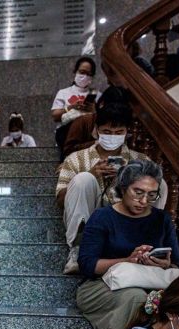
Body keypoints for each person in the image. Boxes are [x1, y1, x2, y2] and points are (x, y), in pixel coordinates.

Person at [76, 160, 179, 329]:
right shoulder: (103, 217)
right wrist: (128, 260)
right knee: (138, 299)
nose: (143, 201)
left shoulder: (161, 219)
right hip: (101, 285)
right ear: (123, 188)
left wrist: (165, 265)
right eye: (138, 192)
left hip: (151, 281)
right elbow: (87, 265)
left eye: (151, 195)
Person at [56, 104, 168, 275]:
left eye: (118, 132)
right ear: (96, 131)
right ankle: (78, 249)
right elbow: (60, 200)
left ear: (127, 133)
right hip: (90, 226)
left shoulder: (140, 160)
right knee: (83, 179)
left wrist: (128, 179)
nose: (112, 137)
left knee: (159, 184)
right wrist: (92, 174)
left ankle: (146, 248)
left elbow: (151, 195)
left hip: (126, 223)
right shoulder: (76, 159)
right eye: (107, 132)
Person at [62, 85, 129, 159]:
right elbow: (68, 151)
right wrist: (98, 143)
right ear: (102, 105)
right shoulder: (83, 121)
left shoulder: (126, 124)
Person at [51, 57, 100, 151]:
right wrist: (71, 107)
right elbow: (55, 116)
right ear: (75, 71)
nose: (85, 76)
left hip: (89, 137)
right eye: (82, 72)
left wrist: (94, 110)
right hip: (67, 135)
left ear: (92, 77)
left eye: (88, 74)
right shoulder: (63, 93)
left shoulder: (97, 95)